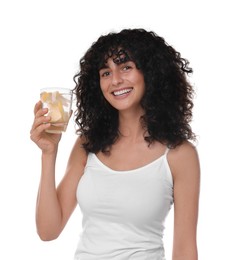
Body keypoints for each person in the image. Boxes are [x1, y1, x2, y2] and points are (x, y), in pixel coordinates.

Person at [30, 28, 200, 260]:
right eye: (106, 72)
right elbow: (48, 231)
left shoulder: (180, 154)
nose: (116, 80)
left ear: (150, 72)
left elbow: (185, 251)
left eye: (126, 67)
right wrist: (49, 153)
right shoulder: (88, 144)